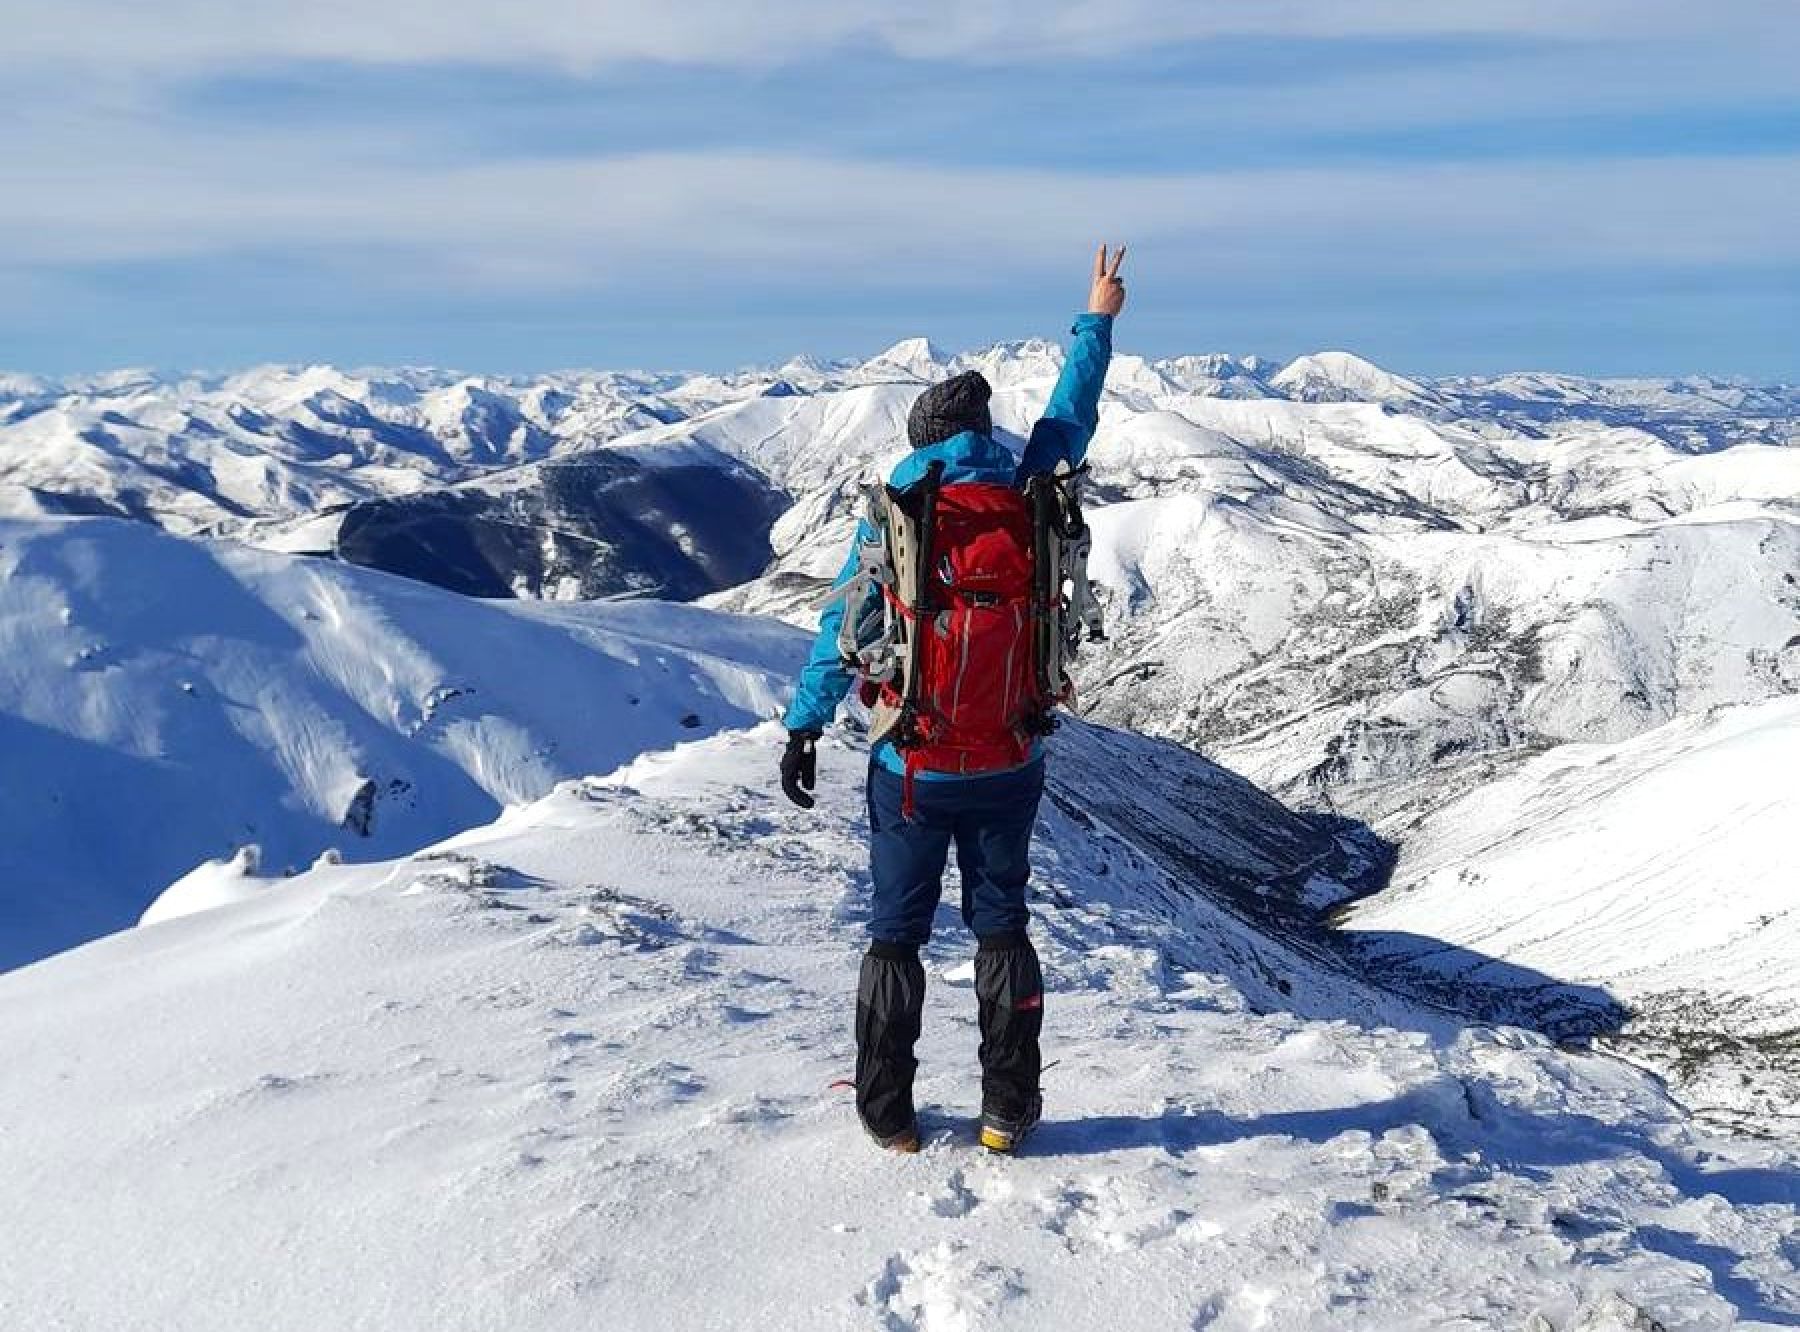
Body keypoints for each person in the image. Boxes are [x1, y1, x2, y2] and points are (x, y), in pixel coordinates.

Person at [779, 245, 1126, 1153]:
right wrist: (1097, 317)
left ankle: (889, 1115)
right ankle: (1007, 1112)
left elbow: (841, 626)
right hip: (1012, 753)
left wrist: (803, 727)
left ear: (922, 438)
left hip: (913, 763)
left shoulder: (900, 510)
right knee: (1002, 927)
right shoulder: (1031, 486)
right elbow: (1072, 410)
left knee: (896, 935)